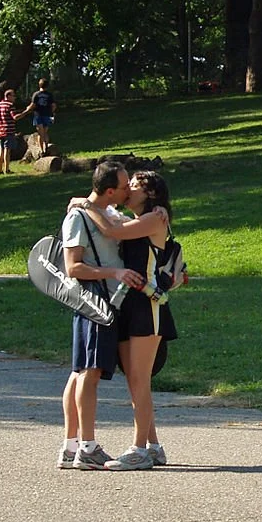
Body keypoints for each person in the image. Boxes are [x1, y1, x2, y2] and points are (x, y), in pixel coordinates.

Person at [77, 169, 179, 470]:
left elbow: (112, 232)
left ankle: (138, 450)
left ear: (151, 194)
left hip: (147, 306)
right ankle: (154, 447)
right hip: (126, 303)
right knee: (135, 381)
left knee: (139, 379)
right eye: (127, 185)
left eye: (134, 186)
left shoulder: (154, 218)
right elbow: (114, 223)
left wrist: (87, 207)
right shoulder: (135, 219)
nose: (128, 190)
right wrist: (95, 208)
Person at [57, 161, 145, 471]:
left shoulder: (106, 213)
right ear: (110, 190)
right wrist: (115, 272)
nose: (128, 191)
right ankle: (88, 447)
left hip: (107, 301)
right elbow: (73, 267)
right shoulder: (78, 218)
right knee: (89, 372)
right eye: (124, 187)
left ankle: (70, 447)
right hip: (95, 300)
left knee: (81, 372)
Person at [24, 78, 56, 158]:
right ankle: (43, 149)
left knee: (41, 133)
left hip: (39, 115)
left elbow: (33, 105)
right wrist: (51, 112)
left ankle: (43, 149)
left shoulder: (36, 94)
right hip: (45, 115)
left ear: (39, 85)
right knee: (44, 132)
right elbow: (53, 106)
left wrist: (27, 109)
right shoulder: (49, 95)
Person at [0, 86, 18, 175]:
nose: (15, 98)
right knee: (7, 149)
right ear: (8, 96)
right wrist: (26, 112)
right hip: (8, 131)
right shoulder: (10, 106)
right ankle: (7, 169)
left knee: (0, 150)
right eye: (14, 96)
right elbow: (15, 117)